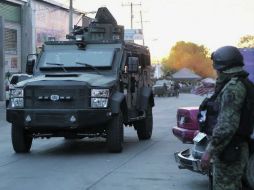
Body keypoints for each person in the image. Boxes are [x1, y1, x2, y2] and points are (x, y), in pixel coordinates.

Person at [200, 46, 250, 190]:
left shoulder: (233, 88)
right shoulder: (242, 83)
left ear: (222, 67)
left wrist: (209, 151)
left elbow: (226, 126)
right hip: (236, 148)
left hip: (230, 151)